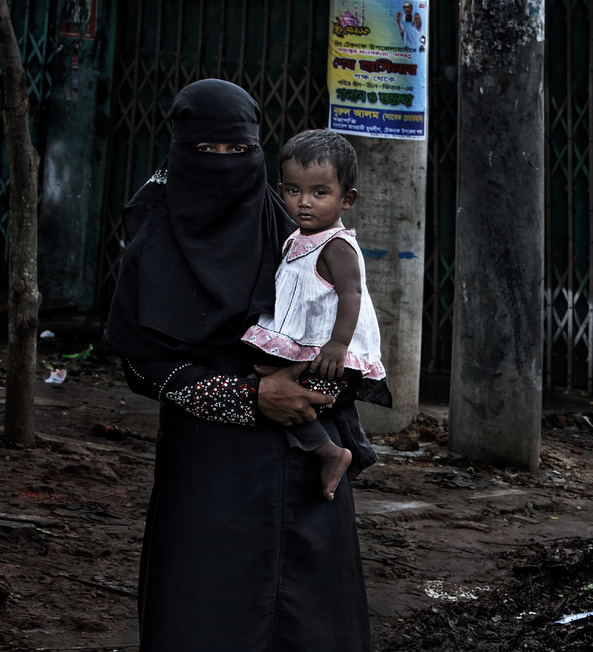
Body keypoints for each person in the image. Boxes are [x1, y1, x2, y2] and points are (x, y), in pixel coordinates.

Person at [104, 79, 371, 651]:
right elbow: (141, 364)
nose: (224, 166)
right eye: (206, 152)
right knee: (206, 614)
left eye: (239, 151)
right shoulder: (153, 238)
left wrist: (319, 392)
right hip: (208, 471)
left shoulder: (291, 231)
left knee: (310, 623)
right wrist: (246, 396)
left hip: (303, 467)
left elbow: (345, 325)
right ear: (178, 152)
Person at [243, 128, 392, 502]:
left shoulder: (336, 245)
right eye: (293, 191)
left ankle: (331, 453)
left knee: (299, 399)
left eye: (319, 193)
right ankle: (360, 453)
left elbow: (351, 293)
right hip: (307, 346)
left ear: (347, 199)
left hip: (328, 350)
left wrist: (338, 344)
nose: (304, 202)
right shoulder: (297, 237)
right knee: (308, 394)